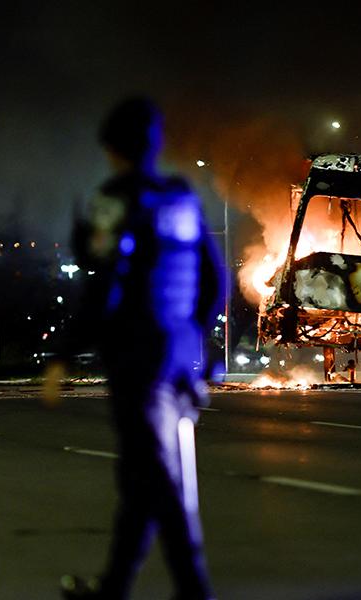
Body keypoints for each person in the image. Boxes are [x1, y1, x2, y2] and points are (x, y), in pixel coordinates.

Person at [57, 96, 227, 599]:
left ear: (112, 148)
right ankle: (113, 589)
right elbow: (214, 281)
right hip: (179, 360)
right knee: (140, 478)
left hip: (137, 361)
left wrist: (63, 353)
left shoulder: (115, 198)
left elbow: (105, 282)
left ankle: (196, 591)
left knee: (160, 481)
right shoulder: (182, 197)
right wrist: (195, 340)